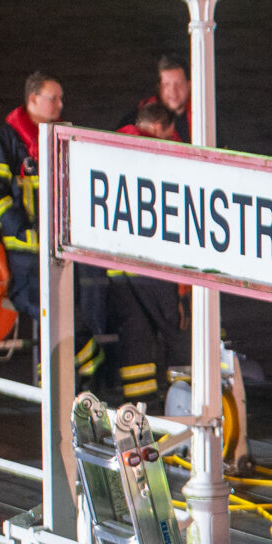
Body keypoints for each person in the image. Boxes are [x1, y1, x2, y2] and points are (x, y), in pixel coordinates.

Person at [0, 73, 92, 381]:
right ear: (32, 100)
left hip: (63, 246)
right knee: (47, 313)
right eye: (53, 98)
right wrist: (17, 225)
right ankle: (60, 382)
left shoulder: (63, 136)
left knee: (63, 314)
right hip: (27, 250)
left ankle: (67, 383)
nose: (60, 105)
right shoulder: (7, 140)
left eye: (61, 99)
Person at [102, 104, 187, 409]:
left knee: (135, 335)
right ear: (159, 127)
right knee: (178, 332)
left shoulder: (111, 149)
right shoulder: (158, 154)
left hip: (118, 267)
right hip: (153, 264)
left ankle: (139, 407)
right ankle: (187, 402)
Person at [156, 52, 192, 136]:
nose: (173, 91)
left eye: (179, 84)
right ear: (159, 87)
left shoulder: (203, 117)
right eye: (166, 84)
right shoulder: (142, 116)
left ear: (189, 85)